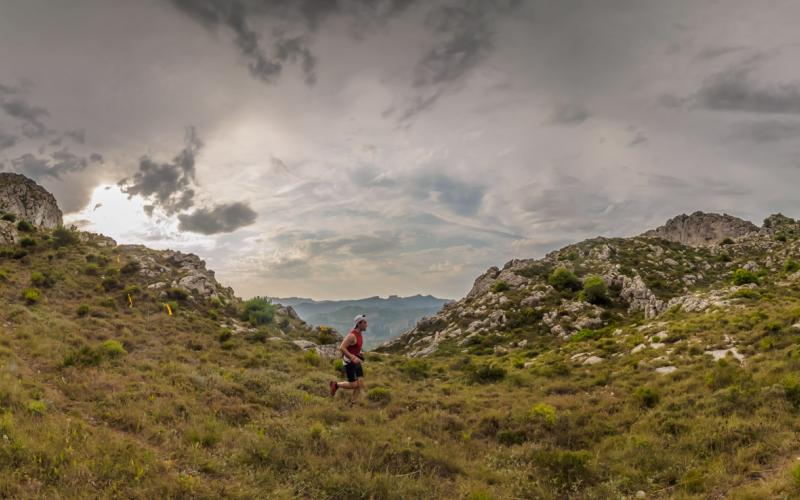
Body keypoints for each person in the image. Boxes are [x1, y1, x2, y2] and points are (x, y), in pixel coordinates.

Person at [329, 314, 367, 404]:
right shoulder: (352, 335)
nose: (366, 324)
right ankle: (335, 384)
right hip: (349, 362)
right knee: (354, 385)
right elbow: (342, 347)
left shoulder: (360, 334)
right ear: (359, 323)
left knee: (360, 384)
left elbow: (354, 347)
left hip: (356, 360)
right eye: (365, 322)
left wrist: (359, 353)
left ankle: (352, 403)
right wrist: (352, 357)